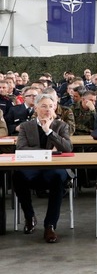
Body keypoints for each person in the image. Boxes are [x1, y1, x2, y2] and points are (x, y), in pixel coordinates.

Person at [14, 94, 73, 243]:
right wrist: (47, 152)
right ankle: (29, 217)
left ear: (55, 108)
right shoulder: (26, 126)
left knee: (57, 177)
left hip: (55, 168)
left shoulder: (61, 126)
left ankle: (50, 225)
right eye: (44, 106)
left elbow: (67, 148)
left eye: (51, 106)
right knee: (17, 175)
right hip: (32, 167)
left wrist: (49, 132)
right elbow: (20, 149)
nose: (48, 110)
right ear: (36, 108)